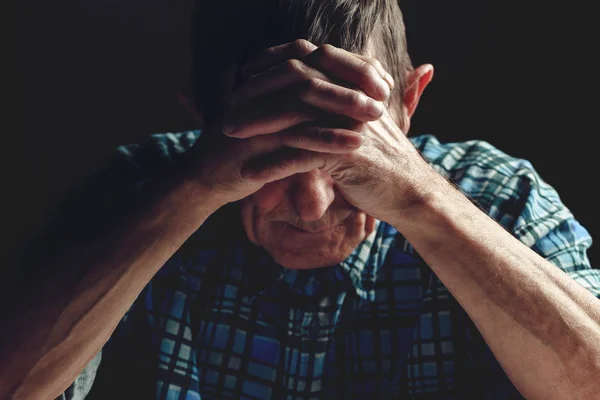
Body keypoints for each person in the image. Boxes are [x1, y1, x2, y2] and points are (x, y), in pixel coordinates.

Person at [2, 0, 599, 399]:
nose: (310, 206)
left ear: (409, 103)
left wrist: (419, 200)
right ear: (203, 121)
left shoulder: (501, 196)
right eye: (267, 153)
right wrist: (195, 187)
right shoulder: (139, 189)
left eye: (351, 149)